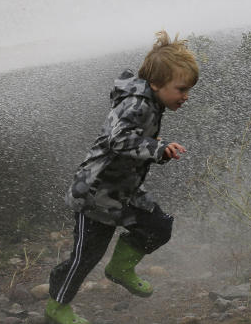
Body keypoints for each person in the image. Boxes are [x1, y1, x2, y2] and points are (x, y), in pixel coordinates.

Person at [44, 31, 197, 324]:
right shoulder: (137, 104)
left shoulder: (151, 103)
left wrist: (159, 148)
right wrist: (156, 148)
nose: (186, 96)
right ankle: (57, 307)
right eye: (181, 89)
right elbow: (119, 140)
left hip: (123, 191)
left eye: (189, 89)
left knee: (158, 226)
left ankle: (120, 269)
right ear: (156, 84)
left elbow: (133, 140)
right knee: (86, 257)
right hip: (96, 193)